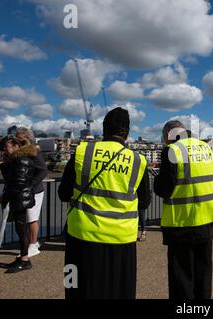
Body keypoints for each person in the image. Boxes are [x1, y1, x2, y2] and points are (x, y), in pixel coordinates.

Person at [58, 108, 151, 299]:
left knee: (74, 285)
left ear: (104, 128)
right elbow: (144, 201)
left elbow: (63, 193)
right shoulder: (137, 160)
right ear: (127, 131)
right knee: (120, 291)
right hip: (121, 237)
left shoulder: (83, 151)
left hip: (81, 235)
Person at [154, 120, 213, 299]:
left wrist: (157, 180)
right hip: (207, 221)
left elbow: (164, 189)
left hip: (181, 224)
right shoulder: (207, 149)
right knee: (203, 277)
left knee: (182, 281)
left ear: (169, 134)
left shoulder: (173, 151)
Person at [0, 136, 36, 273]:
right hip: (20, 198)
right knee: (21, 229)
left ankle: (25, 260)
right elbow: (13, 181)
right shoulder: (18, 160)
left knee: (22, 229)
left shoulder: (21, 160)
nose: (4, 150)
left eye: (6, 147)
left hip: (20, 199)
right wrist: (6, 163)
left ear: (15, 146)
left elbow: (18, 184)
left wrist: (5, 197)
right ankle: (23, 257)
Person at [16, 127, 48, 257]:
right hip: (27, 190)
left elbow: (43, 170)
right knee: (28, 218)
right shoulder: (22, 152)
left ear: (28, 138)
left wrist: (30, 184)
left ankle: (33, 245)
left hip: (35, 191)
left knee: (31, 218)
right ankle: (32, 244)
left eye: (20, 138)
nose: (18, 140)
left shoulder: (34, 151)